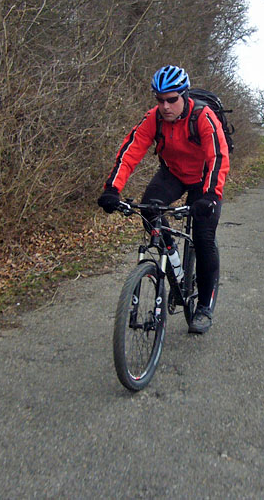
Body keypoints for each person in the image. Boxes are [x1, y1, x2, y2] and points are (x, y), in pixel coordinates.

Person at [97, 64, 230, 334]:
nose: (166, 106)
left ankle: (204, 306)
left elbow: (218, 157)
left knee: (204, 239)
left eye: (172, 100)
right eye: (160, 100)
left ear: (184, 96)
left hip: (204, 180)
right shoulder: (153, 119)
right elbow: (130, 151)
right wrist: (112, 189)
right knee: (150, 211)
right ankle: (172, 262)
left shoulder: (202, 117)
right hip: (172, 174)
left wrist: (210, 196)